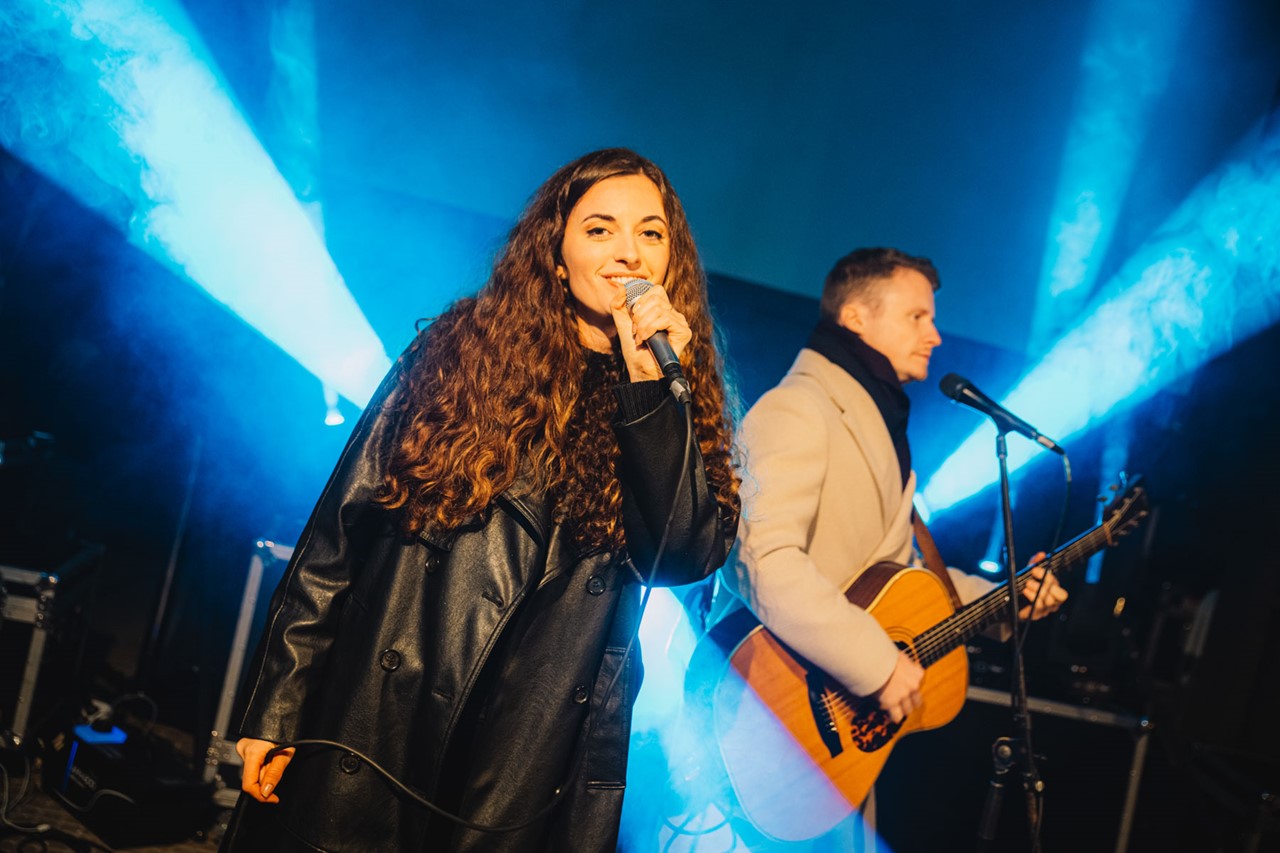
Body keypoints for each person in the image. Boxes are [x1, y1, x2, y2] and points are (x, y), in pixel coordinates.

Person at [219, 148, 740, 852]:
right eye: (600, 229)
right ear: (556, 255)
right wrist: (278, 707)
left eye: (651, 233)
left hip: (526, 758)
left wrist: (650, 393)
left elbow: (682, 554)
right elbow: (337, 537)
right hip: (382, 721)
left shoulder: (673, 396)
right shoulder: (459, 353)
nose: (629, 252)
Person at [717, 246, 1066, 840]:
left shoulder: (874, 420)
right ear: (855, 317)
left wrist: (1009, 598)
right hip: (778, 717)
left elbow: (904, 584)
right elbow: (757, 556)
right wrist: (875, 664)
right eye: (916, 317)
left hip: (831, 743)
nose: (935, 335)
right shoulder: (799, 407)